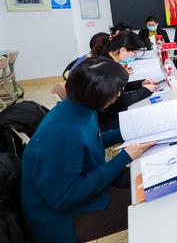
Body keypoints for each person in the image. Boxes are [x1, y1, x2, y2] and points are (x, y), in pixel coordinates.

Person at [21, 57, 155, 243]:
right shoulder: (64, 134)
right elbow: (64, 197)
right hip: (62, 218)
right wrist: (125, 156)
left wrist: (130, 132)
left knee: (151, 179)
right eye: (115, 92)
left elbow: (93, 140)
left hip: (83, 188)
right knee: (154, 201)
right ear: (96, 94)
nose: (118, 96)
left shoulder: (81, 108)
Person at [91, 31, 157, 130]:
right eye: (134, 53)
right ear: (122, 50)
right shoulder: (109, 67)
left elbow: (118, 86)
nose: (134, 57)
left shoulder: (106, 58)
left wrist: (140, 84)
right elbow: (121, 101)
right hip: (108, 122)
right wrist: (146, 91)